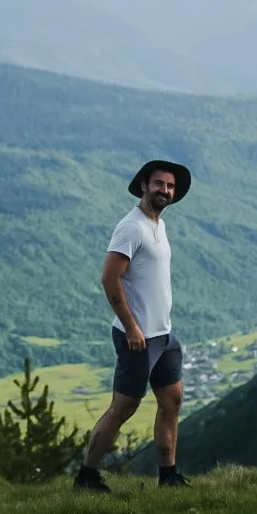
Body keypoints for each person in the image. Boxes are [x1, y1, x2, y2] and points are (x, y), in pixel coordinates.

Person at [73, 158, 192, 493]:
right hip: (137, 337)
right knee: (123, 407)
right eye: (158, 184)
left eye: (170, 186)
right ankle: (86, 475)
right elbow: (109, 279)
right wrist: (132, 327)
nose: (165, 191)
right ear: (143, 185)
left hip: (163, 334)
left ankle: (168, 475)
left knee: (172, 401)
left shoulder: (157, 224)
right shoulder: (132, 227)